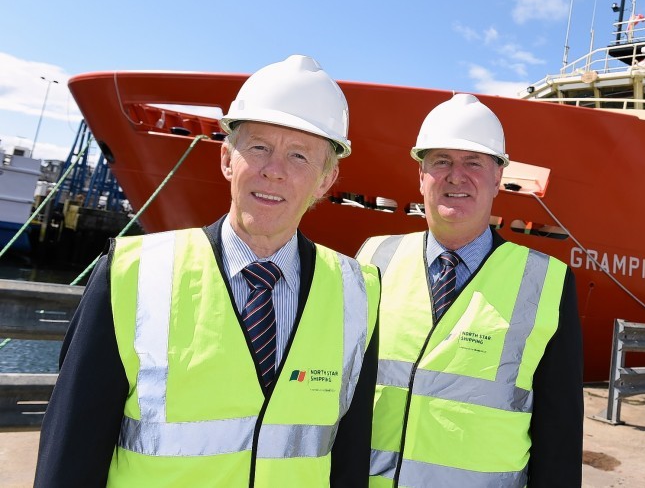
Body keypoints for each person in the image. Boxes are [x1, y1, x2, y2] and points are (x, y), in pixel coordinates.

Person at [35, 55, 381, 487]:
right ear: (226, 158)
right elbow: (71, 454)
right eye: (258, 147)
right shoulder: (133, 274)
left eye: (299, 156)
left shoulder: (357, 292)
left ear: (327, 179)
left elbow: (349, 458)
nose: (274, 171)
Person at [357, 93, 583, 487]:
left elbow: (560, 432)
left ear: (498, 178)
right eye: (441, 161)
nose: (455, 176)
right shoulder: (372, 259)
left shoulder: (547, 281)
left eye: (473, 163)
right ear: (421, 175)